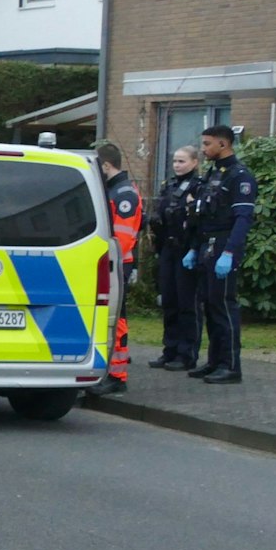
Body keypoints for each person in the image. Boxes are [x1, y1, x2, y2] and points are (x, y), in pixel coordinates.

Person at [183, 125, 258, 385]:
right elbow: (201, 215)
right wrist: (194, 247)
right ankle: (215, 361)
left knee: (224, 306)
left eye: (207, 144)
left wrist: (229, 252)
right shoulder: (213, 175)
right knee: (209, 305)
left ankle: (230, 366)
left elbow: (243, 219)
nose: (203, 149)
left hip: (224, 244)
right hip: (207, 244)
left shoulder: (239, 177)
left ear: (223, 144)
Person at [86, 142, 141, 397]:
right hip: (113, 262)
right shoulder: (114, 190)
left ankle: (118, 375)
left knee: (117, 320)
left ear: (106, 165)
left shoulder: (124, 194)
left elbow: (124, 237)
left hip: (117, 263)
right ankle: (111, 371)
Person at [146, 145, 202, 371]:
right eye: (175, 161)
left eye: (182, 161)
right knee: (169, 301)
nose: (177, 165)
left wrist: (194, 248)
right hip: (168, 249)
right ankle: (169, 350)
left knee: (186, 303)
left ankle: (186, 353)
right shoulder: (168, 186)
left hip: (187, 249)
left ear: (194, 163)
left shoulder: (198, 187)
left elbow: (199, 221)